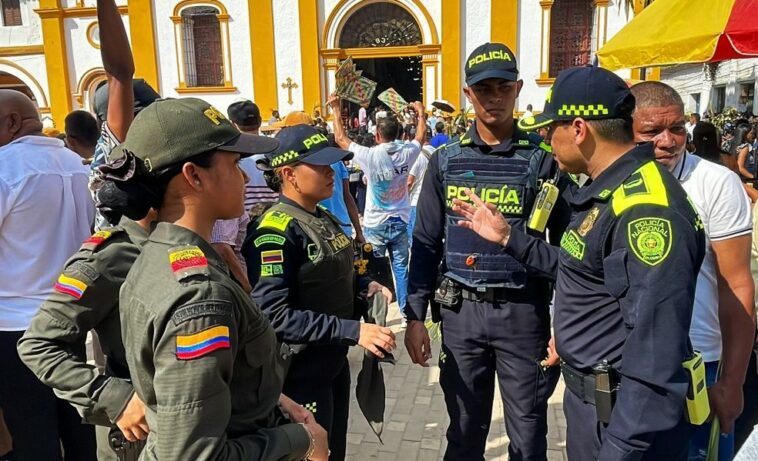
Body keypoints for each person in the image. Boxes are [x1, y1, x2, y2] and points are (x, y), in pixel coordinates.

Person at [462, 66, 706, 460]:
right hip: (593, 404)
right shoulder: (608, 190)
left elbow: (656, 349)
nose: (546, 138)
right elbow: (583, 270)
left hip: (622, 422)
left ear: (578, 129)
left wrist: (620, 448)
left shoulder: (647, 211)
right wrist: (509, 238)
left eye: (550, 128)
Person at [113, 97, 328, 460]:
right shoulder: (198, 298)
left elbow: (224, 380)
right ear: (194, 175)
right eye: (233, 164)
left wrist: (276, 401)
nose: (245, 177)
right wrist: (299, 440)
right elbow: (195, 455)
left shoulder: (162, 252)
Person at [404, 43, 566, 461]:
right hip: (461, 317)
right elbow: (423, 244)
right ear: (468, 94)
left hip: (523, 315)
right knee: (463, 433)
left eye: (503, 87)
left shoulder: (543, 162)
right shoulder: (445, 161)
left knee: (529, 440)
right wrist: (414, 318)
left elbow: (569, 253)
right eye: (483, 89)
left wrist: (562, 326)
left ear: (518, 89)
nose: (494, 97)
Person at [244, 124, 396, 461]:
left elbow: (330, 273)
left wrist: (363, 286)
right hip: (299, 374)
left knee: (333, 449)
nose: (331, 173)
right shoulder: (274, 232)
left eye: (332, 165)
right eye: (321, 166)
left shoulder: (321, 216)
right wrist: (353, 330)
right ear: (289, 174)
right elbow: (273, 315)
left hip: (332, 362)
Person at [631, 81, 756, 461]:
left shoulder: (716, 183)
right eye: (652, 131)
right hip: (629, 362)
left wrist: (733, 381)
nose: (668, 141)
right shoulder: (615, 181)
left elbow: (736, 285)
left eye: (678, 128)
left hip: (700, 365)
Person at [0, 90, 96, 459]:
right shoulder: (75, 164)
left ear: (10, 122)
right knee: (76, 422)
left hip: (14, 326)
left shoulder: (7, 168)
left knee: (31, 432)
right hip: (68, 315)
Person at [18, 213, 154, 461]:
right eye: (232, 170)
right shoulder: (113, 256)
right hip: (137, 436)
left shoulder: (198, 250)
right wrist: (116, 399)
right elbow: (38, 344)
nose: (244, 179)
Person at [330, 97, 426, 316]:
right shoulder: (408, 153)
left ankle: (378, 315)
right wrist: (421, 113)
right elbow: (420, 137)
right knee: (401, 269)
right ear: (401, 135)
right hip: (400, 220)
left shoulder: (370, 155)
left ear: (376, 136)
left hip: (375, 223)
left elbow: (340, 138)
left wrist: (336, 110)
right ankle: (405, 312)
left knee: (373, 271)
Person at [406, 127, 433, 245]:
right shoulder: (436, 152)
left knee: (414, 238)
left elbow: (409, 182)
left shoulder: (417, 156)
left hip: (416, 201)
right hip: (432, 201)